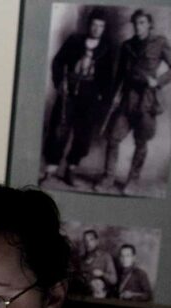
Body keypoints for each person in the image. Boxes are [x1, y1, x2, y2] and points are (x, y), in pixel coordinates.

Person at [98, 9, 171, 195]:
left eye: (142, 22)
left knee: (141, 142)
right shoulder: (127, 45)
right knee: (113, 138)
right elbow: (119, 75)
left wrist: (158, 81)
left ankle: (132, 181)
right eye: (135, 23)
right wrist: (114, 97)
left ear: (149, 24)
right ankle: (108, 178)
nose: (138, 26)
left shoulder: (160, 42)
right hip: (127, 98)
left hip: (147, 100)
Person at [40, 8, 115, 188]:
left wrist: (102, 97)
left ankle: (70, 169)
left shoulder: (107, 48)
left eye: (101, 26)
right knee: (59, 129)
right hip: (69, 92)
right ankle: (50, 170)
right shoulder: (74, 41)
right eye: (94, 24)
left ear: (104, 28)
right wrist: (60, 83)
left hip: (90, 96)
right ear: (89, 25)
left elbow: (108, 77)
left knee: (83, 133)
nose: (97, 29)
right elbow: (58, 62)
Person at [75, 229, 118, 298]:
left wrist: (102, 274)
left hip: (100, 296)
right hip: (84, 295)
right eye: (85, 241)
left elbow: (114, 280)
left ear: (97, 241)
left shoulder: (106, 257)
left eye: (91, 240)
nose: (88, 243)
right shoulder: (81, 259)